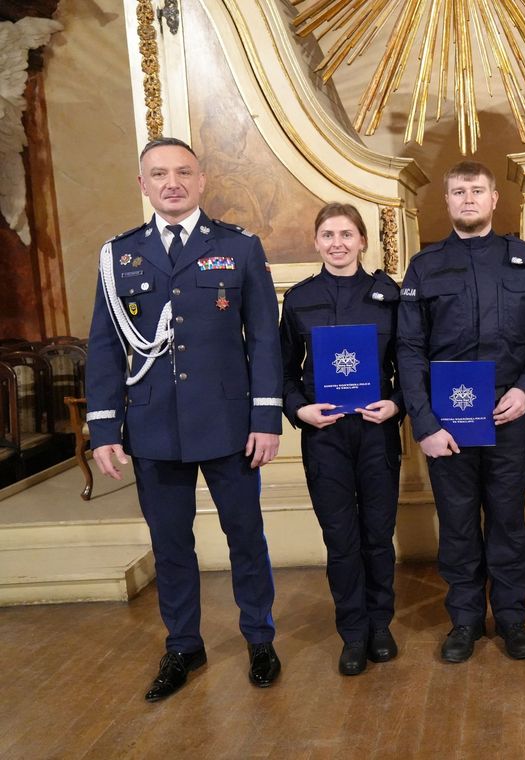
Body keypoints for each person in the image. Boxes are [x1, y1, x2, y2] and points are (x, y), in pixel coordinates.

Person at [85, 137, 283, 701]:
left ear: (201, 181)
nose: (172, 183)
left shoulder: (239, 247)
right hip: (152, 428)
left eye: (183, 172)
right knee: (170, 545)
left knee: (245, 537)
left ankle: (260, 638)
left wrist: (265, 419)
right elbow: (103, 347)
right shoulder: (118, 255)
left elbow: (264, 340)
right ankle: (183, 646)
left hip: (228, 425)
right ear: (142, 184)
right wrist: (104, 429)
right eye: (158, 174)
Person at [396, 161, 525, 663]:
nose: (467, 199)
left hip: (507, 416)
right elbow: (409, 350)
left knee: (507, 523)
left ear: (493, 200)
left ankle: (510, 619)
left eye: (476, 190)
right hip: (448, 425)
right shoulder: (425, 266)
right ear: (446, 200)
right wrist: (425, 424)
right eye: (458, 191)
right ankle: (464, 620)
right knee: (458, 524)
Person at [279, 203, 402, 676]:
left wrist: (396, 404)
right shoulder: (299, 300)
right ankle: (352, 633)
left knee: (376, 535)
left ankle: (380, 627)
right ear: (316, 242)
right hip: (324, 436)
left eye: (347, 234)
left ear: (362, 241)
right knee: (341, 538)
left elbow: (407, 363)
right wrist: (299, 409)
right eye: (328, 234)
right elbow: (285, 373)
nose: (337, 243)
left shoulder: (388, 295)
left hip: (376, 433)